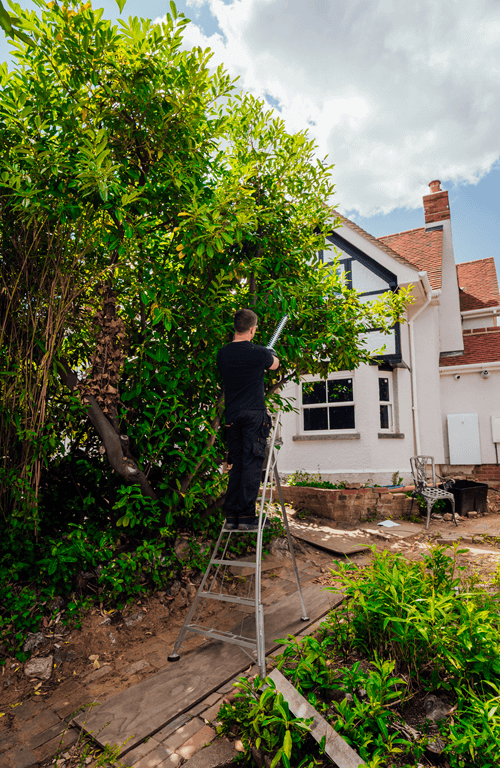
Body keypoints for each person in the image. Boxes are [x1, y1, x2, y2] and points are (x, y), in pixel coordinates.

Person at [217, 309, 280, 530]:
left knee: (237, 465)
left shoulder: (223, 354)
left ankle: (232, 515)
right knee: (252, 464)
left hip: (232, 417)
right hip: (254, 416)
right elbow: (275, 364)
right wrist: (269, 353)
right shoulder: (259, 353)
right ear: (252, 330)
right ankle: (245, 517)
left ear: (235, 327)